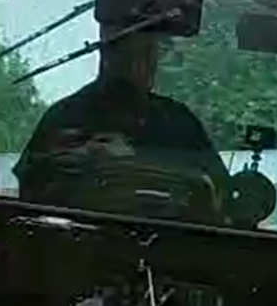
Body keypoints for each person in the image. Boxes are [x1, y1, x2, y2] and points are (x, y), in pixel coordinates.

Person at [14, 15, 231, 220]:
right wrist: (82, 162)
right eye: (129, 53)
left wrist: (133, 162)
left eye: (150, 52)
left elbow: (218, 193)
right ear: (106, 52)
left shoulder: (179, 121)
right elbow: (31, 198)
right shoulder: (64, 117)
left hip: (169, 247)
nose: (143, 64)